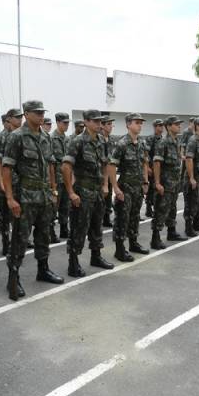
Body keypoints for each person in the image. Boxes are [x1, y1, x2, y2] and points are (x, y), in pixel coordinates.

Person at [2, 100, 64, 301]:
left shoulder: (45, 137)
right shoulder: (16, 137)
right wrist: (10, 198)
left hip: (44, 196)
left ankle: (43, 269)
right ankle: (14, 277)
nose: (40, 116)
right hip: (25, 197)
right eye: (36, 113)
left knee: (44, 235)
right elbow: (7, 168)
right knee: (20, 239)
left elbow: (50, 166)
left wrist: (53, 191)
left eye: (42, 113)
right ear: (26, 114)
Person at [61, 109, 114, 276]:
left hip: (97, 191)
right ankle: (73, 263)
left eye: (100, 121)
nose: (99, 124)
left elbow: (105, 164)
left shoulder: (101, 141)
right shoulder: (77, 141)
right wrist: (70, 192)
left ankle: (96, 256)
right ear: (86, 122)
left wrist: (105, 185)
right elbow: (66, 167)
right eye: (96, 121)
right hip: (82, 191)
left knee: (97, 225)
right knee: (79, 227)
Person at [108, 113, 150, 262]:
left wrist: (145, 182)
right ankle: (119, 249)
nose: (140, 125)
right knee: (122, 219)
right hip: (125, 187)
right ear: (128, 125)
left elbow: (145, 163)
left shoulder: (141, 143)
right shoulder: (122, 144)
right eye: (137, 122)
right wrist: (115, 188)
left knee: (134, 217)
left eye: (141, 123)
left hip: (137, 188)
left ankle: (133, 243)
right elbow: (112, 166)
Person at [150, 115, 187, 249]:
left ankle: (171, 231)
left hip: (174, 182)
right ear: (169, 126)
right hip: (165, 183)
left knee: (172, 208)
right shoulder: (163, 142)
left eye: (179, 124)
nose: (179, 126)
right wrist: (158, 183)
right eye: (176, 124)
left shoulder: (176, 141)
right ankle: (155, 238)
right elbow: (157, 163)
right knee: (161, 209)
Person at [0, 109, 23, 255]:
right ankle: (6, 243)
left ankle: (18, 242)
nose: (20, 120)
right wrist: (1, 181)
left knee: (18, 215)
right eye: (17, 118)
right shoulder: (1, 137)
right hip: (6, 184)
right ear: (9, 119)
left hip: (19, 184)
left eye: (21, 117)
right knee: (4, 216)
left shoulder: (22, 136)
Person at [51, 112, 71, 239]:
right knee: (53, 206)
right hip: (56, 179)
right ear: (58, 122)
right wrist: (52, 184)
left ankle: (64, 229)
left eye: (68, 123)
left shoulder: (68, 139)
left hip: (66, 178)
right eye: (64, 123)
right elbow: (50, 163)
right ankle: (50, 231)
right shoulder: (51, 139)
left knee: (65, 205)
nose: (67, 125)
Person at [145, 119, 164, 218]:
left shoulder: (163, 139)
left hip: (159, 168)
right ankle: (148, 208)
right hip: (152, 167)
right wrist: (147, 167)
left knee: (157, 187)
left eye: (162, 126)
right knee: (151, 189)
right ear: (155, 127)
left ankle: (156, 206)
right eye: (159, 125)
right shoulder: (150, 138)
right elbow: (146, 153)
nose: (161, 127)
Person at [101, 115, 116, 227]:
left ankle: (106, 217)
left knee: (109, 196)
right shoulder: (98, 139)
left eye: (111, 124)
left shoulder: (111, 140)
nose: (111, 126)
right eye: (108, 124)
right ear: (102, 125)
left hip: (109, 173)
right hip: (100, 174)